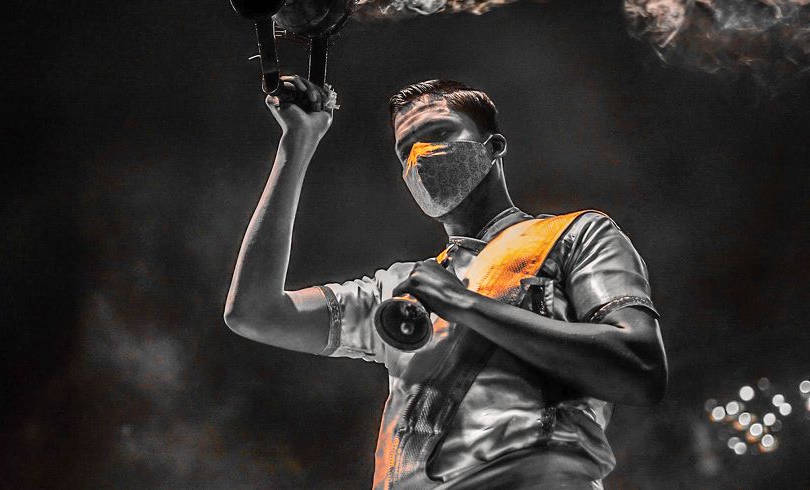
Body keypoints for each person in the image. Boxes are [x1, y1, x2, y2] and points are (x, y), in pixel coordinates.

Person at [223, 76, 667, 489]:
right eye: (405, 150)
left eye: (438, 134)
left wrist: (464, 304)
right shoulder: (399, 291)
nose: (419, 157)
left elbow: (639, 368)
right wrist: (296, 144)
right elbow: (254, 312)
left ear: (493, 148)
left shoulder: (576, 234)